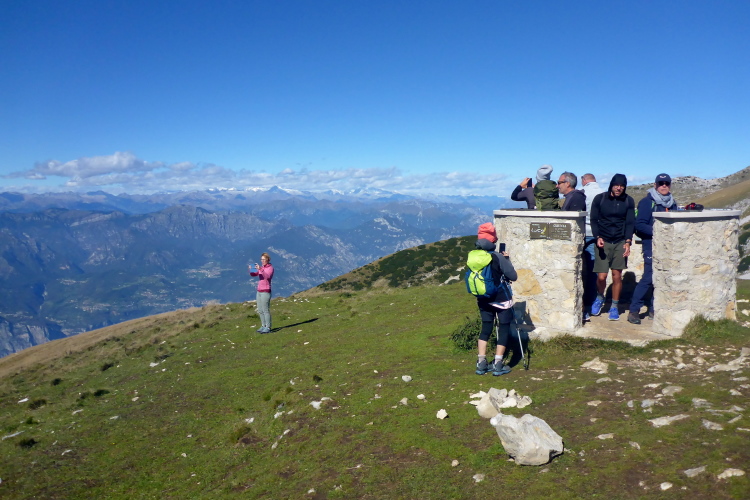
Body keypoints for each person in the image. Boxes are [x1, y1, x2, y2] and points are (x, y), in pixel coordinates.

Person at [628, 173, 678, 324]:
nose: (664, 186)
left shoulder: (672, 203)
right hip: (650, 244)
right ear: (655, 185)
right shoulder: (647, 202)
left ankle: (653, 309)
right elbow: (639, 225)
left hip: (668, 246)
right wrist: (659, 231)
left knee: (663, 277)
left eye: (667, 183)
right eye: (661, 183)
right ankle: (634, 311)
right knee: (649, 277)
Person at [472, 223, 518, 376]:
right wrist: (507, 260)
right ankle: (498, 364)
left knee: (486, 329)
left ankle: (481, 363)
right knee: (503, 328)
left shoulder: (474, 257)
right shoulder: (497, 257)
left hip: (483, 298)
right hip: (501, 299)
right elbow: (513, 276)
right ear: (493, 240)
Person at [590, 174, 635, 321]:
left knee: (617, 275)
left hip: (620, 241)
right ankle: (599, 297)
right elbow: (594, 220)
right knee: (601, 276)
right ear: (611, 185)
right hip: (603, 241)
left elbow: (630, 223)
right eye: (616, 185)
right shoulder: (600, 199)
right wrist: (597, 236)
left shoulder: (628, 200)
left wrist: (628, 242)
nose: (619, 188)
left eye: (622, 186)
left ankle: (614, 306)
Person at [580, 173, 604, 318]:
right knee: (595, 268)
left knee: (583, 269)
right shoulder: (603, 193)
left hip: (585, 231)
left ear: (584, 180)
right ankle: (593, 300)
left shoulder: (582, 193)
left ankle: (586, 302)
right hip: (599, 233)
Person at [249, 252, 274, 333]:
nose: (262, 261)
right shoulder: (262, 267)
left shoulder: (270, 268)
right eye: (261, 259)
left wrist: (261, 269)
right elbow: (254, 274)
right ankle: (263, 326)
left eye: (264, 259)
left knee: (265, 310)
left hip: (266, 291)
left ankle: (268, 327)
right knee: (260, 310)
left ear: (268, 259)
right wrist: (251, 269)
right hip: (259, 291)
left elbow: (267, 276)